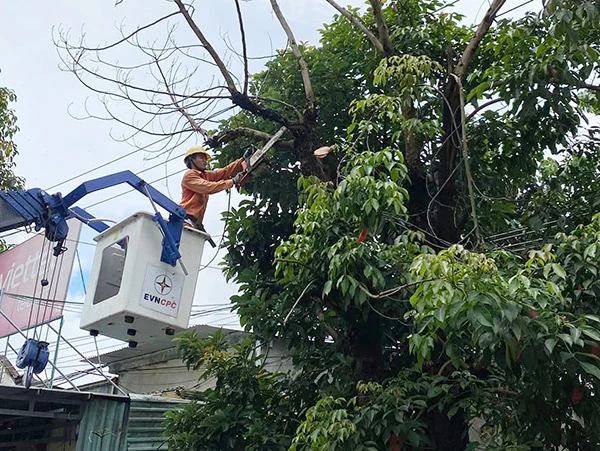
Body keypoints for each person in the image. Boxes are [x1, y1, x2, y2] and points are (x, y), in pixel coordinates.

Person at [180, 146, 244, 231]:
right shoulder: (190, 175)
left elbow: (225, 172)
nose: (205, 161)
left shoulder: (205, 175)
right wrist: (232, 181)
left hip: (194, 223)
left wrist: (242, 160)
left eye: (205, 158)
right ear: (191, 160)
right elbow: (208, 187)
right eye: (201, 157)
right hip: (185, 220)